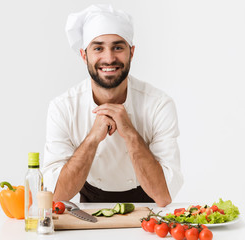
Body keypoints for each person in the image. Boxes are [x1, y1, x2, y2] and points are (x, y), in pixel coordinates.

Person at [42, 4, 183, 207]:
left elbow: (163, 196)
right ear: (84, 55)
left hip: (148, 204)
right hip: (90, 205)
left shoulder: (159, 105)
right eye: (98, 48)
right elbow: (56, 196)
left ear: (131, 53)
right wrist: (92, 139)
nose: (109, 58)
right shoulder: (63, 108)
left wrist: (130, 132)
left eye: (118, 47)